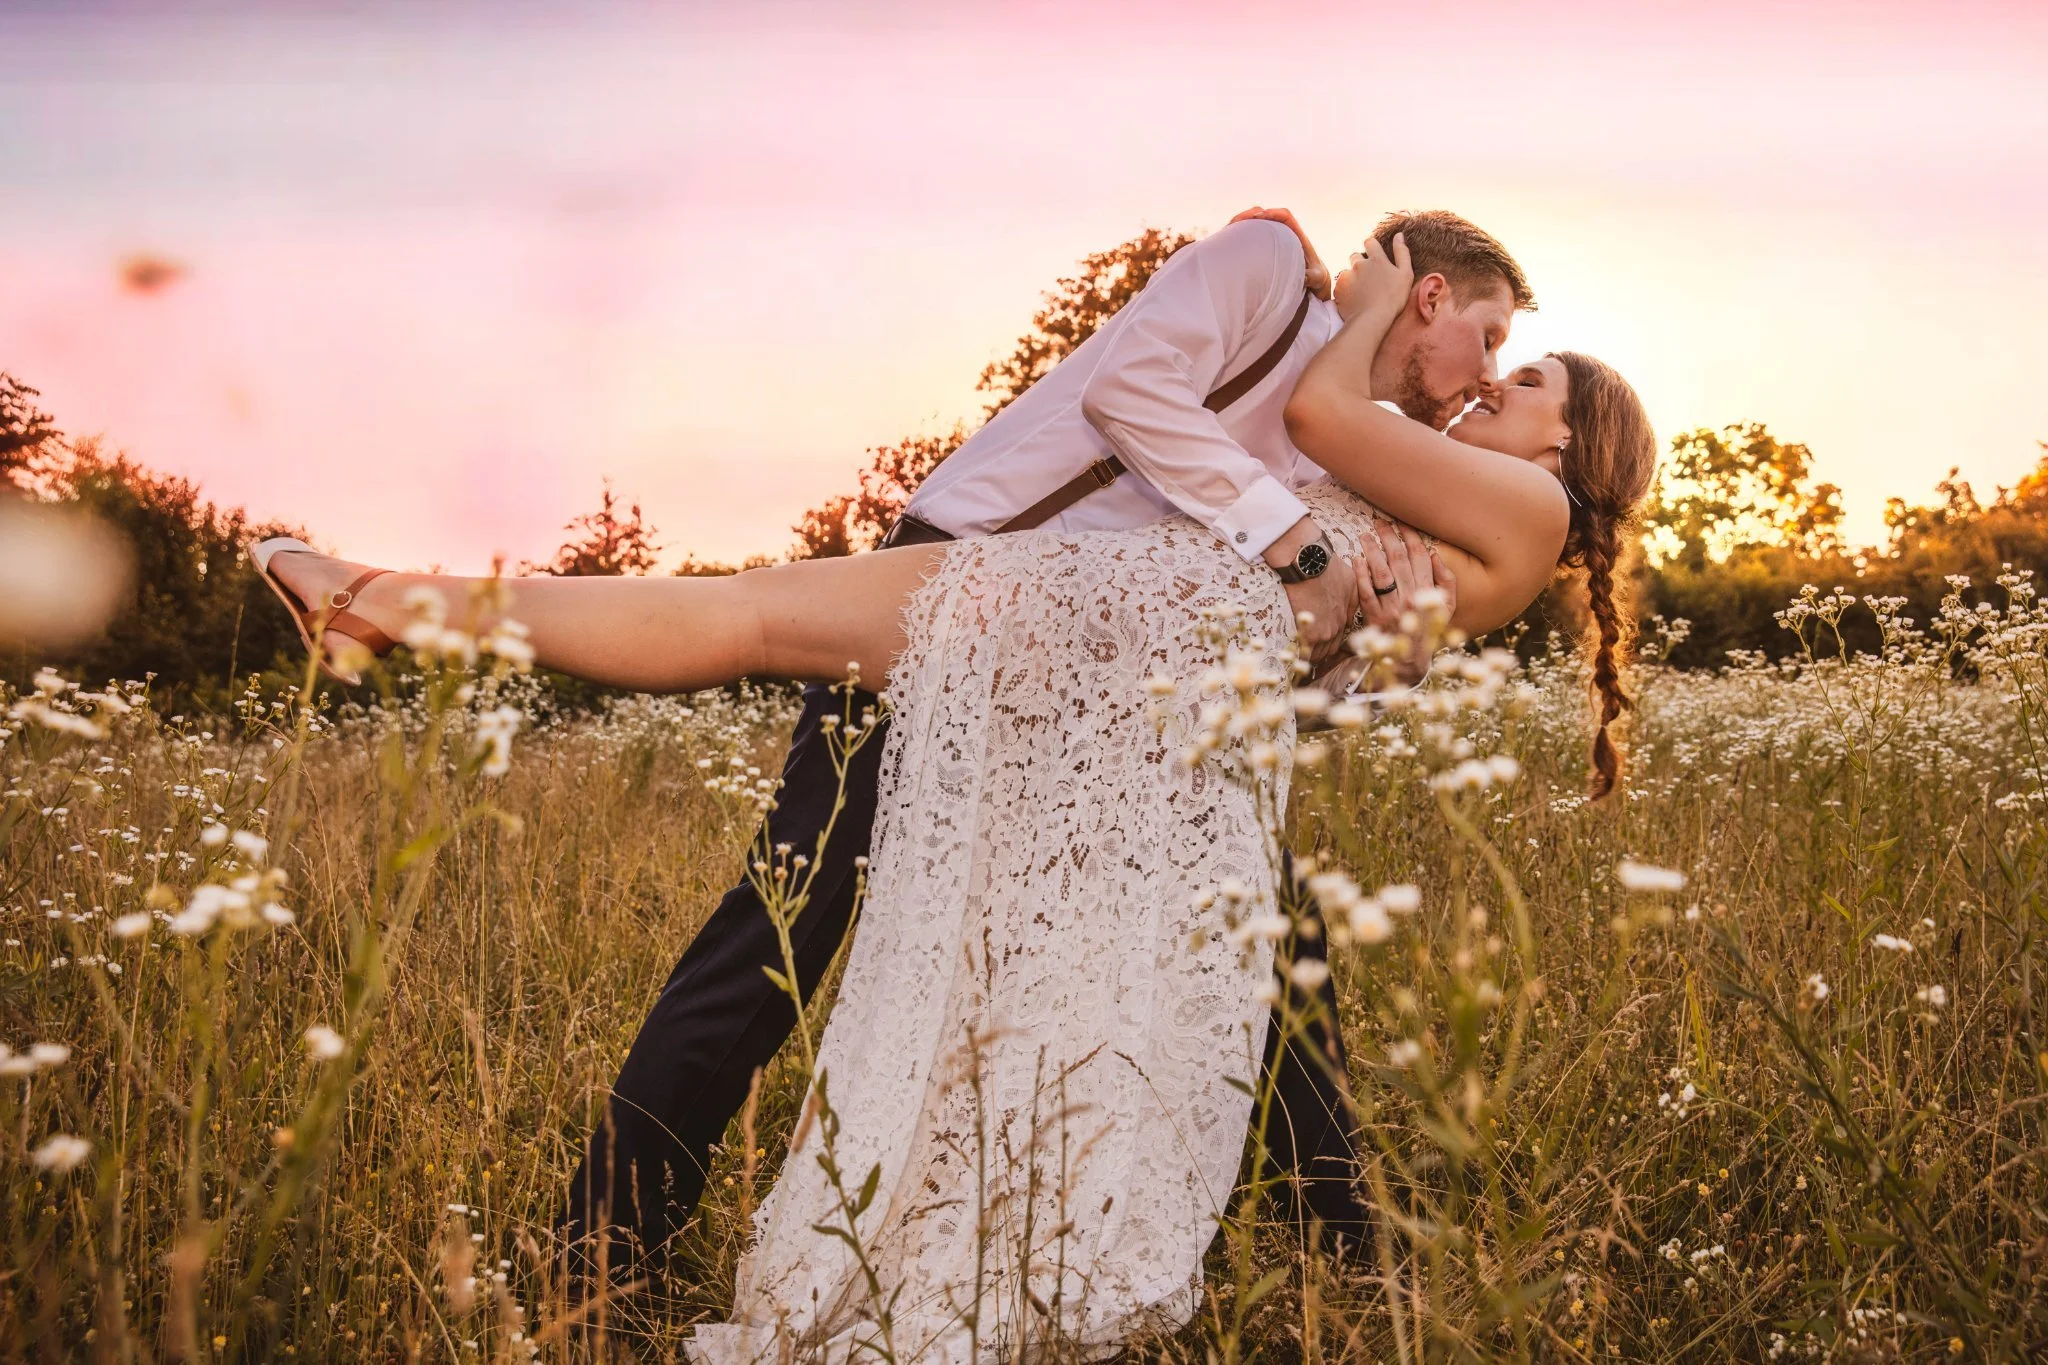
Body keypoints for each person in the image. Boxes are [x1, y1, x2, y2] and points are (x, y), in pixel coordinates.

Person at [254, 221, 1658, 1360]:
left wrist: (1367, 602)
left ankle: (394, 598)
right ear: (1431, 293)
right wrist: (1344, 559)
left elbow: (1327, 503)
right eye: (1490, 343)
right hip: (1050, 599)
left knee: (764, 649)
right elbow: (1163, 416)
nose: (1486, 377)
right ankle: (602, 1247)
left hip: (1115, 655)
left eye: (1520, 378)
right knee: (794, 913)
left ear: (1567, 445)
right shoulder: (1263, 279)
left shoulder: (1436, 464)